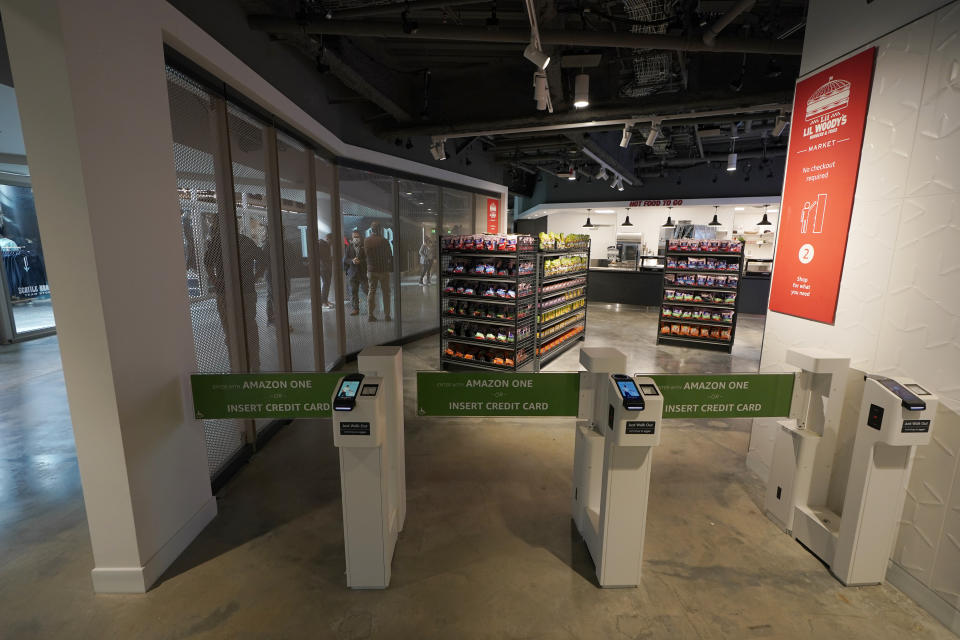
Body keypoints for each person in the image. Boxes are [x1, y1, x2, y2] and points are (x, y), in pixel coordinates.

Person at [204, 221, 265, 371]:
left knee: (230, 331)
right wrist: (255, 277)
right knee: (249, 328)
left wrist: (215, 280)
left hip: (226, 292)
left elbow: (207, 263)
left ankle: (236, 366)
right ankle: (254, 365)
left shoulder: (217, 242)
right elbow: (263, 260)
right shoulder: (245, 241)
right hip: (247, 291)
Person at [363, 220, 393, 322]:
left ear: (371, 229)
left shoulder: (366, 240)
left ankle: (370, 315)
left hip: (371, 270)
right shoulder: (384, 241)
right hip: (383, 270)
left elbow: (365, 255)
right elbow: (389, 255)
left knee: (371, 292)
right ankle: (387, 315)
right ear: (380, 229)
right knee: (386, 293)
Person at [342, 229, 367, 316]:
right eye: (354, 237)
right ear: (352, 238)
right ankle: (355, 309)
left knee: (366, 290)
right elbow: (345, 259)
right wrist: (352, 261)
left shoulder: (365, 246)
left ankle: (371, 307)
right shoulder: (349, 247)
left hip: (363, 273)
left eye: (357, 237)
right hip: (352, 273)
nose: (356, 238)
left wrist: (361, 261)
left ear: (360, 237)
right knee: (353, 292)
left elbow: (368, 259)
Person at [316, 233, 334, 309]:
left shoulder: (325, 245)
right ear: (329, 239)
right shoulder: (323, 245)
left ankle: (325, 300)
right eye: (332, 241)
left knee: (326, 285)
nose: (332, 243)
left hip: (325, 267)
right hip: (324, 268)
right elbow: (324, 258)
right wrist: (331, 258)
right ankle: (323, 302)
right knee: (326, 284)